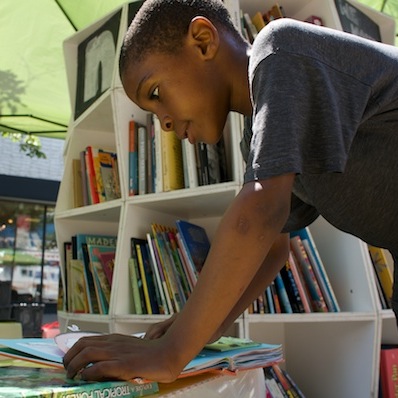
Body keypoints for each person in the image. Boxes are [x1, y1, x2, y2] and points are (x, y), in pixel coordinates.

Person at [63, 0, 398, 383]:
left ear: (204, 41)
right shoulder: (259, 139)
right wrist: (198, 327)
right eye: (153, 114)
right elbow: (273, 247)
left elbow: (260, 212)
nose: (165, 121)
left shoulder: (281, 47)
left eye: (156, 92)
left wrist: (170, 354)